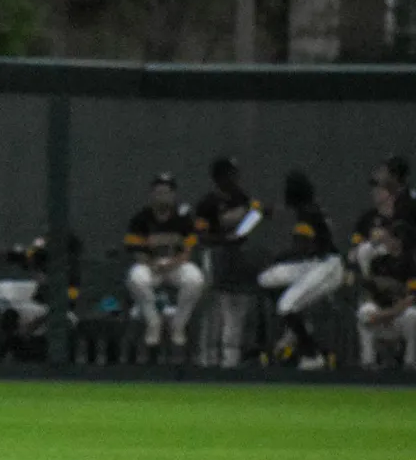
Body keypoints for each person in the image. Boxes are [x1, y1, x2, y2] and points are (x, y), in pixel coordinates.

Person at [257, 170, 343, 371]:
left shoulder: (309, 212)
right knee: (266, 279)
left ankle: (312, 354)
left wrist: (278, 257)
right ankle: (297, 325)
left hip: (327, 267)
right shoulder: (308, 209)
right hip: (313, 264)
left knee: (286, 306)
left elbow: (303, 247)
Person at [193, 157, 270, 368]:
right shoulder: (207, 203)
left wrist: (261, 213)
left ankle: (231, 361)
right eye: (230, 174)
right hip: (215, 257)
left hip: (237, 259)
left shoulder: (241, 198)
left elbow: (254, 215)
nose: (235, 178)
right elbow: (201, 236)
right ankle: (207, 358)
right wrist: (225, 239)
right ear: (219, 177)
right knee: (214, 309)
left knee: (237, 307)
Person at [123, 173, 206, 363]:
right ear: (151, 194)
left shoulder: (183, 218)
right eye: (158, 192)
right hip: (150, 266)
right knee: (136, 277)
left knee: (195, 278)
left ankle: (178, 325)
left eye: (166, 192)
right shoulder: (140, 218)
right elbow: (135, 250)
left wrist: (173, 263)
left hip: (175, 265)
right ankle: (153, 322)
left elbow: (188, 250)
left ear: (173, 194)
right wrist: (152, 264)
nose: (162, 196)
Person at [355, 220, 416, 370]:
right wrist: (381, 314)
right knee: (364, 312)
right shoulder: (378, 262)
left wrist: (387, 314)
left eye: (388, 238)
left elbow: (410, 299)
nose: (384, 241)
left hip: (399, 317)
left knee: (413, 316)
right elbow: (369, 294)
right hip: (381, 315)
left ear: (398, 240)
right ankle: (368, 363)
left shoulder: (411, 264)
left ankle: (410, 364)